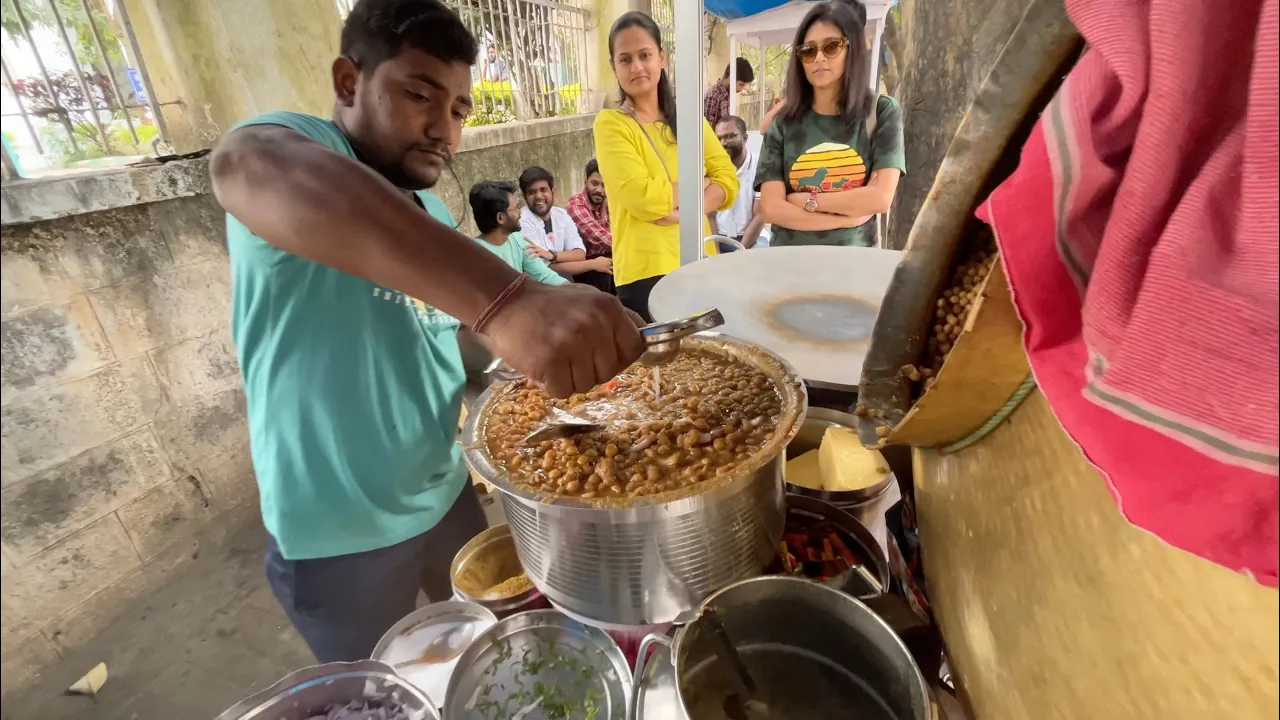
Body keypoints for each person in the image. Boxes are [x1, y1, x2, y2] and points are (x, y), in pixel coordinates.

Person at [208, 0, 644, 664]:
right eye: (419, 94)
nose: (443, 127)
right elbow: (245, 163)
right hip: (338, 534)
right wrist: (509, 300)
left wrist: (562, 395)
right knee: (374, 695)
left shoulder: (429, 211)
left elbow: (447, 338)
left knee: (485, 669)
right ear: (349, 82)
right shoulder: (294, 153)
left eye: (461, 111)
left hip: (445, 498)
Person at [594, 11, 739, 321]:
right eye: (625, 59)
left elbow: (728, 182)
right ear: (614, 66)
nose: (636, 66)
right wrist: (700, 184)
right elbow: (641, 196)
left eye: (644, 55)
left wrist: (684, 210)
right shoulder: (612, 124)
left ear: (662, 57)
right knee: (662, 369)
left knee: (713, 363)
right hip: (646, 271)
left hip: (700, 260)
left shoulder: (691, 122)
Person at [755, 0, 906, 247]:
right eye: (808, 50)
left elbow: (879, 198)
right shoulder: (783, 123)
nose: (819, 58)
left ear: (853, 49)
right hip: (789, 270)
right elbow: (771, 209)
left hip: (853, 270)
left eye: (832, 46)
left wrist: (804, 201)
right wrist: (846, 218)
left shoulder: (881, 112)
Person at [517, 165, 612, 281]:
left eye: (543, 190)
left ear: (553, 192)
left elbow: (579, 253)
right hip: (539, 284)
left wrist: (553, 255)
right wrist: (593, 264)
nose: (538, 196)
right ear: (525, 197)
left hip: (564, 276)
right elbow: (544, 268)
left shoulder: (560, 215)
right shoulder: (522, 221)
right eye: (532, 192)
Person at [468, 180, 567, 286]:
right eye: (516, 208)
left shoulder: (517, 240)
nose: (520, 213)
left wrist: (579, 292)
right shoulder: (474, 255)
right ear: (501, 218)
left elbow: (545, 277)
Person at [709, 115, 765, 250]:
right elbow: (709, 214)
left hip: (751, 240)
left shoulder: (760, 167)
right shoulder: (711, 168)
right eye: (718, 138)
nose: (723, 143)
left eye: (729, 136)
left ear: (744, 138)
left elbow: (760, 215)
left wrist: (741, 251)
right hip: (718, 237)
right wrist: (715, 252)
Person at [565, 158, 616, 293]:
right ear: (585, 182)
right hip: (583, 266)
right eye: (594, 183)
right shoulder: (575, 204)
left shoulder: (608, 202)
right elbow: (598, 235)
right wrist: (630, 248)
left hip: (606, 257)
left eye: (604, 185)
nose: (599, 190)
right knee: (607, 271)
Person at [704, 57, 756, 127]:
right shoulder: (714, 95)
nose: (742, 89)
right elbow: (708, 130)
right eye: (741, 84)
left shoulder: (728, 94)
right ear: (730, 77)